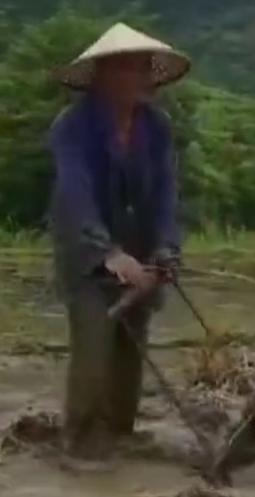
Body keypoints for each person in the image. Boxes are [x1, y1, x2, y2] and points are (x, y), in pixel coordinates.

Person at [47, 23, 192, 458]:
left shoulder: (157, 126)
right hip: (90, 255)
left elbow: (166, 191)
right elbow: (74, 192)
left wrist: (166, 250)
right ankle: (81, 444)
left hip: (143, 254)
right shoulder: (73, 127)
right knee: (94, 353)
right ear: (103, 76)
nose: (140, 78)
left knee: (131, 356)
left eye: (144, 69)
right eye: (128, 69)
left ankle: (121, 441)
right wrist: (106, 252)